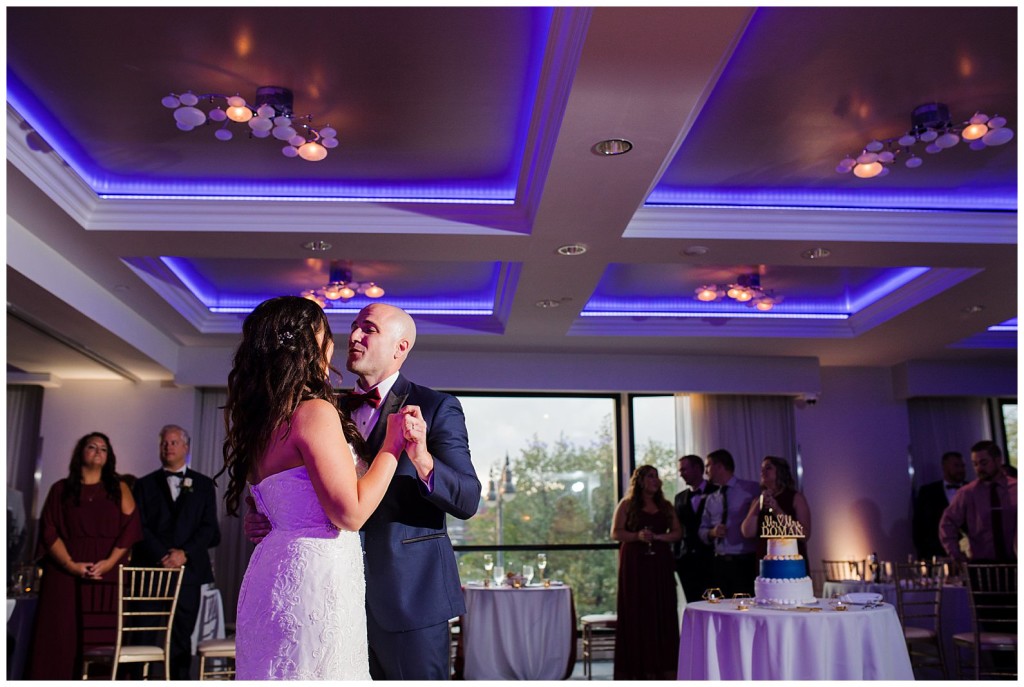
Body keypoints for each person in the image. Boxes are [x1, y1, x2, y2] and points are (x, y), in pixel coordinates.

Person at [244, 301, 481, 680]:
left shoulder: (436, 406)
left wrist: (421, 458)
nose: (353, 335)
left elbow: (468, 499)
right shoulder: (323, 406)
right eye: (353, 326)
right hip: (327, 593)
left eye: (368, 328)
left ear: (400, 347)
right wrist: (265, 516)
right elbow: (287, 481)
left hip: (408, 597)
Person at [221, 296, 425, 679]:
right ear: (312, 344)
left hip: (272, 572)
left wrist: (261, 519)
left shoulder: (257, 421)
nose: (339, 341)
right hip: (314, 579)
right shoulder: (314, 411)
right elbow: (350, 513)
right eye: (328, 333)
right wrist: (393, 445)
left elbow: (274, 497)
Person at [27, 432, 142, 680]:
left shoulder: (118, 488)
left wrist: (109, 563)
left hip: (106, 573)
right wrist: (71, 565)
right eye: (92, 446)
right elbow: (49, 531)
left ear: (109, 456)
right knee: (59, 632)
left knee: (101, 639)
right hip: (64, 573)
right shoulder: (60, 489)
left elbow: (131, 528)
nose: (98, 451)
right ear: (81, 452)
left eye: (103, 448)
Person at [133, 425, 221, 679]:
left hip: (188, 574)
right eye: (164, 443)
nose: (168, 447)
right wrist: (162, 555)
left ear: (186, 447)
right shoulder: (144, 485)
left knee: (182, 636)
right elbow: (140, 527)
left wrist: (184, 553)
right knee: (144, 632)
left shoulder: (203, 485)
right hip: (152, 572)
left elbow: (210, 530)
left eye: (173, 442)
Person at [610, 465, 682, 680]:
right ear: (639, 481)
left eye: (656, 476)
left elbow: (678, 533)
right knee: (637, 610)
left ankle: (664, 666)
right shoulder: (627, 505)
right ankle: (636, 667)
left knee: (662, 608)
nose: (655, 480)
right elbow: (616, 532)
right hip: (635, 564)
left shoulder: (666, 506)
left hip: (659, 562)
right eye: (650, 476)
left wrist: (659, 538)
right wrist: (637, 536)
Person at [939, 440, 1016, 564]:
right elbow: (947, 523)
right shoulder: (967, 493)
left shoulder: (1016, 488)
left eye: (984, 463)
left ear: (998, 460)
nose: (979, 468)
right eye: (975, 464)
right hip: (982, 565)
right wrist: (956, 554)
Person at [698, 449, 760, 597]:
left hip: (745, 562)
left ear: (719, 466)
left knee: (746, 608)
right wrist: (712, 532)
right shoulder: (711, 498)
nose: (705, 472)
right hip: (719, 564)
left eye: (708, 466)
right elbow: (702, 530)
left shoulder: (751, 489)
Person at [740, 456, 812, 573]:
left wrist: (777, 511)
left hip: (790, 564)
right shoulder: (757, 501)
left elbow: (804, 535)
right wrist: (759, 502)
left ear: (780, 471)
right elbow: (747, 532)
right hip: (765, 562)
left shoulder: (795, 497)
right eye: (762, 469)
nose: (763, 472)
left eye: (768, 468)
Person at [673, 454, 718, 603]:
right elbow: (677, 528)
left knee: (714, 603)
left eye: (684, 469)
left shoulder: (717, 491)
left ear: (697, 469)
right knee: (692, 603)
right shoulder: (679, 498)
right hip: (687, 561)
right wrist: (676, 558)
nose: (681, 474)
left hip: (711, 559)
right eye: (680, 471)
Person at [912, 451, 966, 561]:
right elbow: (919, 526)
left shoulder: (972, 489)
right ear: (944, 467)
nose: (960, 470)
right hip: (938, 555)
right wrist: (926, 556)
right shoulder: (927, 492)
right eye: (956, 465)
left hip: (969, 555)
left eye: (962, 466)